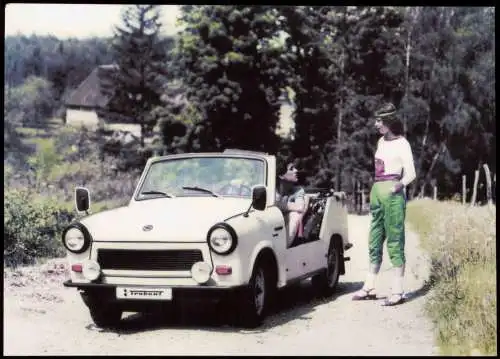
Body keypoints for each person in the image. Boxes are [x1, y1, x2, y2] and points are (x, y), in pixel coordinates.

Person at [352, 102, 416, 306]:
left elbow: (412, 173)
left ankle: (398, 291)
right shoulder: (381, 141)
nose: (375, 124)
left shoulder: (402, 144)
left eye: (379, 120)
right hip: (377, 192)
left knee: (395, 240)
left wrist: (398, 186)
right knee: (375, 238)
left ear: (388, 122)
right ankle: (369, 286)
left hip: (393, 195)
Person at [275, 161, 308, 248]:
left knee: (295, 214)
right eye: (291, 169)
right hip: (271, 228)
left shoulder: (298, 190)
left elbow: (300, 207)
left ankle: (283, 248)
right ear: (281, 175)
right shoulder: (272, 191)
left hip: (283, 229)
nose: (296, 170)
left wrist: (280, 205)